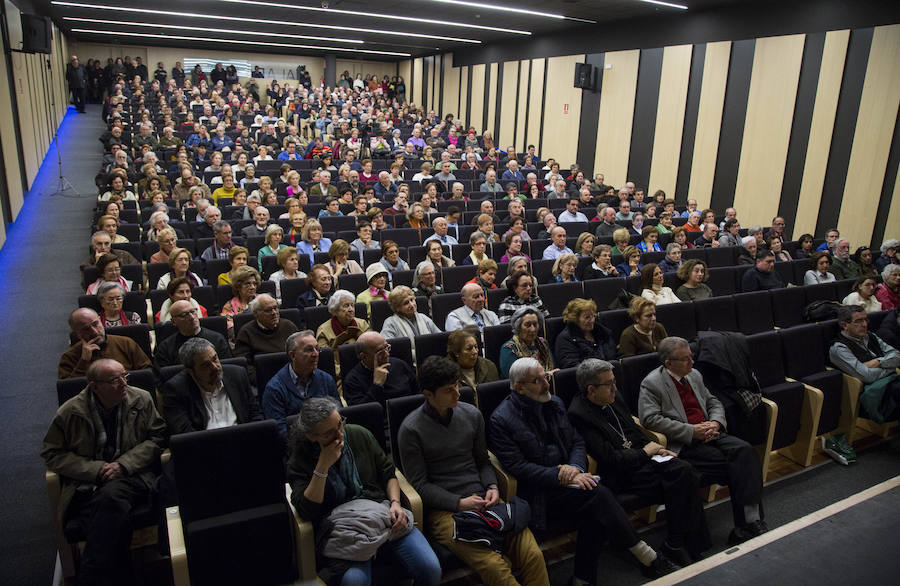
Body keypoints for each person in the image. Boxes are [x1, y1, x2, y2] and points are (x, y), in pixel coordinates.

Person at [491, 358, 681, 583]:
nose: (546, 384)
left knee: (595, 504)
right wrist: (559, 475)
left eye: (546, 377)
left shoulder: (555, 404)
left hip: (573, 480)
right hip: (540, 493)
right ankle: (647, 557)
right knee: (598, 496)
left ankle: (583, 579)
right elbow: (517, 467)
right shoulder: (501, 419)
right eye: (538, 380)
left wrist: (576, 468)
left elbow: (577, 443)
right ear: (519, 386)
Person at [398, 356, 550, 586]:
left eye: (457, 385)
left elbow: (482, 461)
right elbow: (420, 485)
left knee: (532, 555)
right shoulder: (411, 429)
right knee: (494, 566)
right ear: (429, 394)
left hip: (484, 499)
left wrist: (491, 486)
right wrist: (459, 503)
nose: (458, 393)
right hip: (446, 512)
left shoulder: (471, 414)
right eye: (449, 390)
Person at [568, 359, 711, 565]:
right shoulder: (579, 415)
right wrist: (645, 452)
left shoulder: (613, 398)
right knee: (682, 476)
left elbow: (634, 431)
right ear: (591, 389)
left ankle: (679, 542)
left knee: (684, 469)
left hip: (642, 460)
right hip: (621, 474)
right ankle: (679, 543)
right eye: (609, 384)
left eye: (614, 381)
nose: (615, 388)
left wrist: (658, 448)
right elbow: (610, 459)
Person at [287, 397, 441, 586]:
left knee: (431, 569)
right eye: (329, 433)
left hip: (380, 515)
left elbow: (388, 474)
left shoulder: (358, 435)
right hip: (342, 530)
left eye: (340, 424)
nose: (339, 435)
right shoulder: (300, 460)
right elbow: (307, 510)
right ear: (312, 436)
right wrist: (323, 465)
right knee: (355, 582)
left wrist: (395, 503)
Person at [42, 359, 165, 585]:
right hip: (88, 483)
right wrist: (96, 470)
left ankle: (91, 577)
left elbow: (157, 438)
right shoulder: (71, 412)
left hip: (134, 476)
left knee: (111, 496)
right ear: (94, 386)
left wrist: (124, 464)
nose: (123, 384)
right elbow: (52, 454)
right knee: (109, 504)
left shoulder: (141, 399)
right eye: (114, 380)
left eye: (124, 377)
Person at [639, 337, 768, 544]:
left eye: (691, 357)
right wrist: (691, 431)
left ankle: (749, 523)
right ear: (668, 363)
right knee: (739, 467)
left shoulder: (694, 375)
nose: (692, 362)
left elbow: (713, 401)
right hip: (686, 443)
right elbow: (650, 419)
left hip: (712, 433)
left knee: (746, 451)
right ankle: (747, 526)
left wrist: (716, 422)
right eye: (685, 359)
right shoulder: (652, 383)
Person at [161, 338, 263, 435]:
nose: (215, 367)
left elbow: (255, 414)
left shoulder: (237, 375)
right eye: (206, 365)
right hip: (204, 447)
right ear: (191, 371)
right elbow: (185, 434)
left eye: (215, 359)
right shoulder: (175, 390)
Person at [263, 331, 341, 441]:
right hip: (296, 450)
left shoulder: (326, 379)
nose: (316, 354)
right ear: (293, 355)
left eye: (317, 348)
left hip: (331, 441)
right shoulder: (274, 389)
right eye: (309, 350)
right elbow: (279, 432)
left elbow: (339, 415)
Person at [59, 308, 151, 379]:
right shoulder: (69, 357)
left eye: (95, 324)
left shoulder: (126, 343)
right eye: (86, 329)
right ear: (77, 334)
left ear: (100, 321)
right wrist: (83, 362)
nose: (94, 332)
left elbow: (148, 373)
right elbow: (68, 389)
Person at [342, 331, 420, 407]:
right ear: (364, 356)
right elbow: (360, 414)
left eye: (387, 347)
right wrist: (377, 385)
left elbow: (419, 393)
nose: (387, 354)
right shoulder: (352, 381)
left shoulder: (400, 364)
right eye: (380, 352)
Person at [154, 299, 230, 370]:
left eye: (193, 311)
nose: (191, 317)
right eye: (184, 315)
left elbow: (228, 368)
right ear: (173, 322)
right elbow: (163, 375)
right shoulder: (166, 348)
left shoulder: (217, 339)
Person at [234, 294, 299, 370]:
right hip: (262, 376)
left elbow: (300, 352)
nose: (274, 313)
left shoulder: (288, 326)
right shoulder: (246, 332)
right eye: (268, 310)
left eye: (275, 308)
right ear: (256, 313)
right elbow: (244, 364)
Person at [555, 298, 616, 368]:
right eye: (587, 317)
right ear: (575, 319)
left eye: (593, 316)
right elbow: (571, 366)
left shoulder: (602, 332)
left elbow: (615, 355)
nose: (592, 320)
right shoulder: (565, 339)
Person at [499, 306, 554, 379]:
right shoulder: (509, 349)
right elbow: (516, 379)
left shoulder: (543, 343)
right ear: (518, 327)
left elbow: (553, 367)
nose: (532, 329)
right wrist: (546, 375)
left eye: (535, 324)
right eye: (528, 325)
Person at [221, 265, 260, 335]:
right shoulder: (230, 306)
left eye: (254, 284)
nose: (252, 287)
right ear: (238, 286)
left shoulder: (264, 300)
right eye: (247, 284)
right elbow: (231, 330)